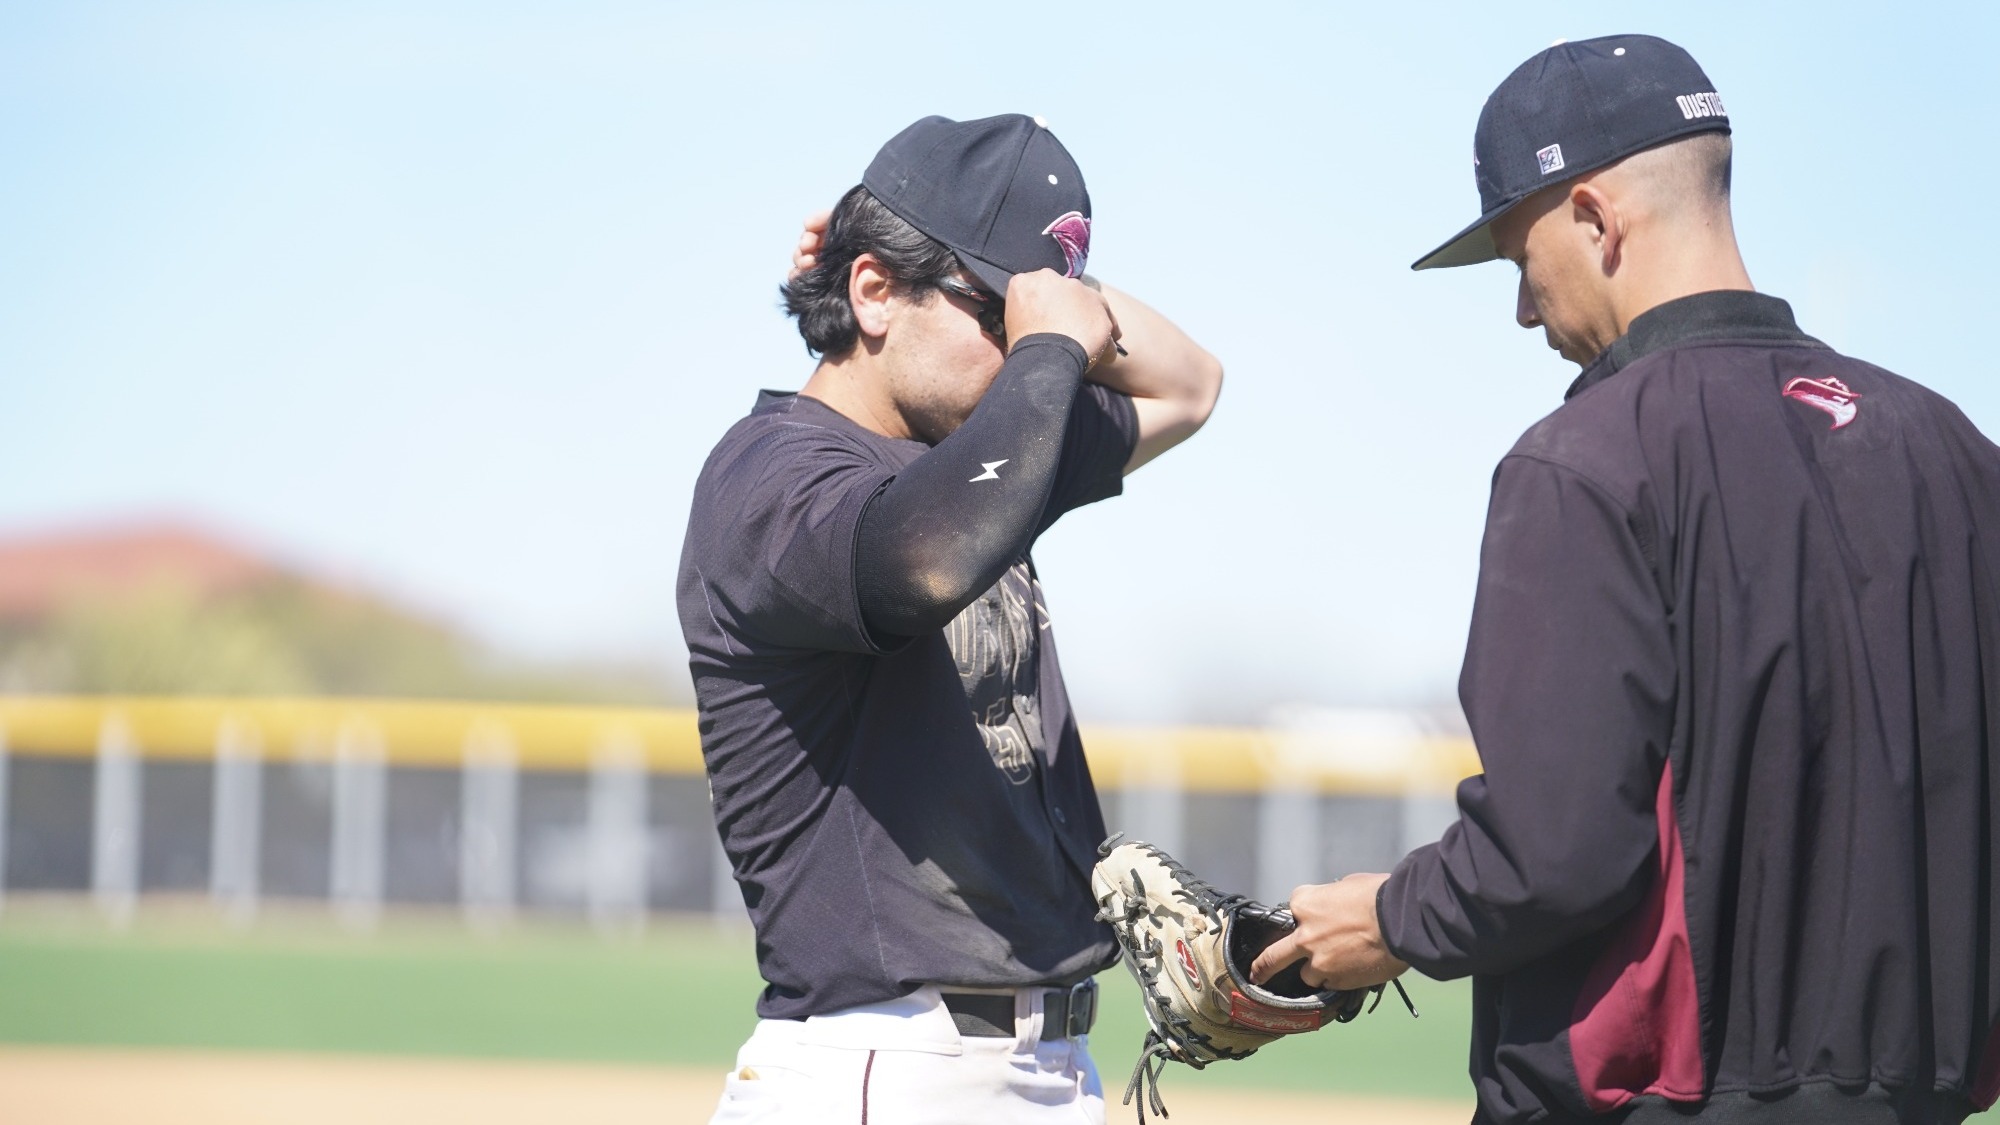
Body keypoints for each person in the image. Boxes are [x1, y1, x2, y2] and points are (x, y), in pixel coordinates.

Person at [1250, 34, 2000, 1125]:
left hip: (1659, 1098)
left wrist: (1389, 920)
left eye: (1518, 259)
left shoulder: (1588, 457)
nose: (1521, 309)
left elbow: (1553, 853)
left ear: (1594, 218)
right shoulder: (1954, 454)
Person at [676, 113, 1222, 1124]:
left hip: (1039, 1067)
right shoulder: (769, 476)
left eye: (1030, 321)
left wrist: (1054, 302)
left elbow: (1189, 384)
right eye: (997, 315)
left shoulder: (981, 461)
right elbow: (919, 559)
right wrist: (1057, 345)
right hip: (883, 1068)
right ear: (874, 291)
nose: (1025, 355)